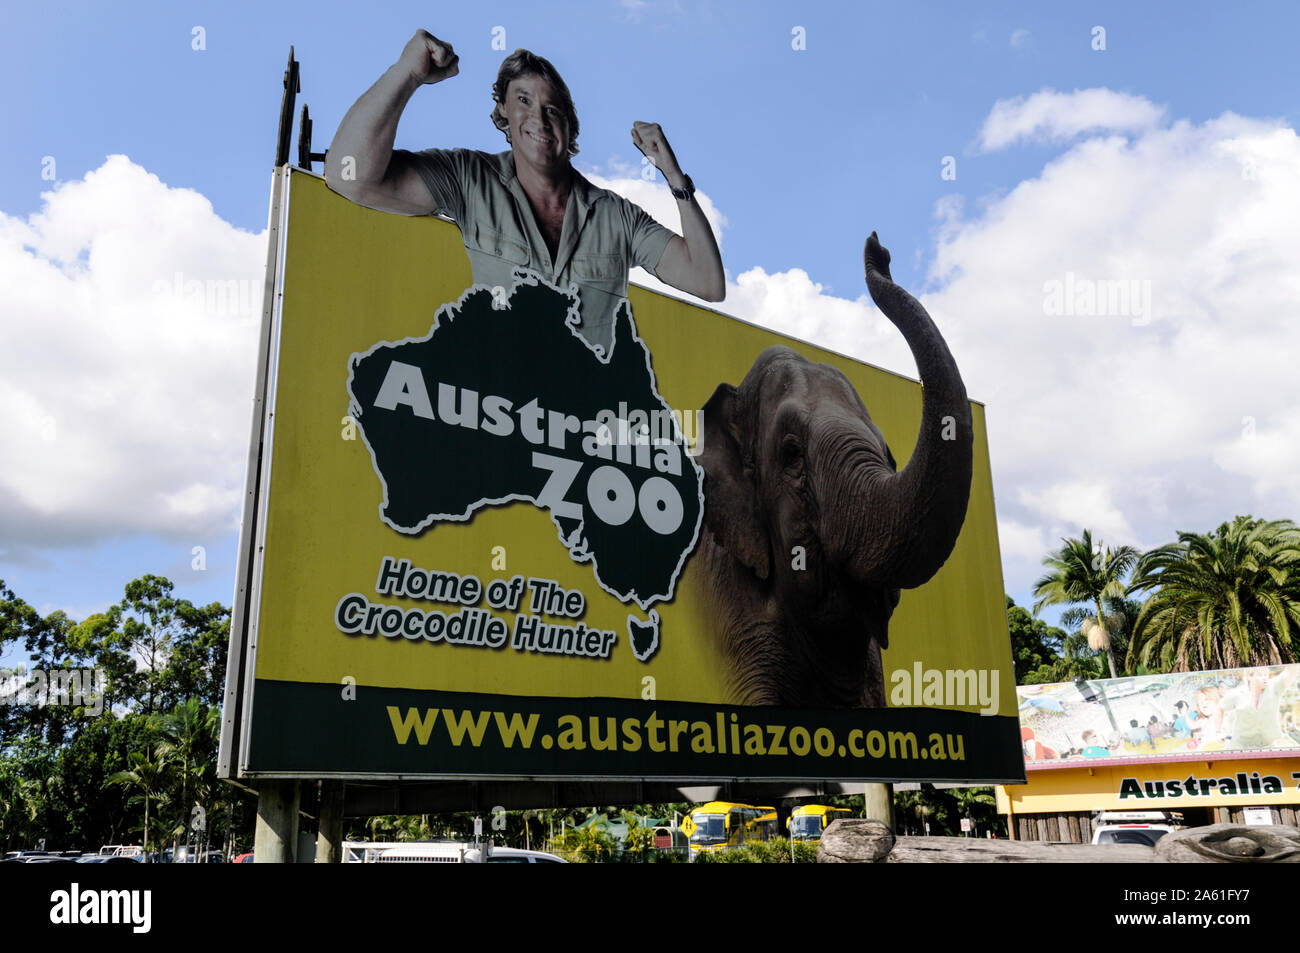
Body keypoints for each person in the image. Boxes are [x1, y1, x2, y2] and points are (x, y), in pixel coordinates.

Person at [325, 32, 725, 356]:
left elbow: (708, 282)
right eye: (523, 101)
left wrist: (673, 175)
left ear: (569, 126)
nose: (539, 118)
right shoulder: (469, 178)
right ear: (503, 112)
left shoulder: (617, 217)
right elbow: (350, 176)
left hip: (583, 432)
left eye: (553, 109)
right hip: (495, 419)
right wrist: (406, 74)